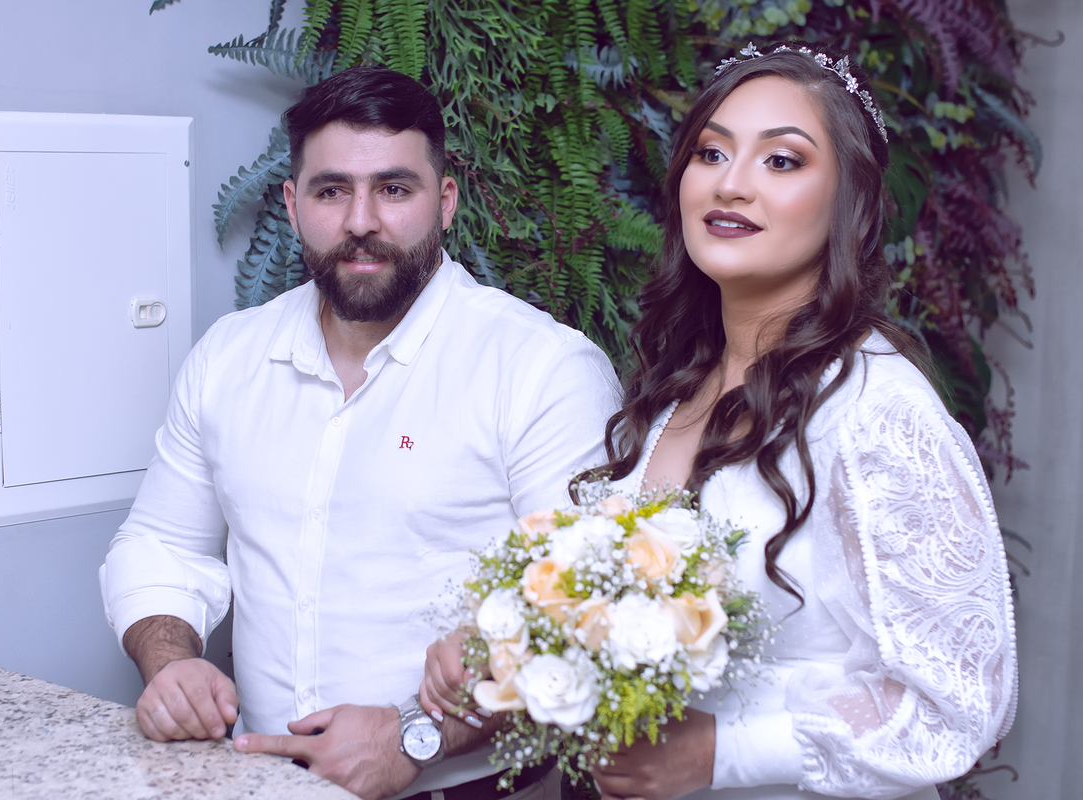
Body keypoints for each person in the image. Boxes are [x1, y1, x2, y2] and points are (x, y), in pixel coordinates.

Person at [420, 44, 1017, 800]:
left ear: (852, 204)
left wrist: (724, 752)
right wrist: (506, 644)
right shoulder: (676, 390)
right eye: (711, 152)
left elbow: (958, 706)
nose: (731, 184)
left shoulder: (877, 411)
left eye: (782, 161)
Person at [100, 65, 622, 800]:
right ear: (292, 206)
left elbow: (592, 614)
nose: (361, 221)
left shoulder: (543, 370)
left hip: (468, 786)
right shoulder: (228, 358)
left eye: (395, 189)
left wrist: (416, 736)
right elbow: (162, 544)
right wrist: (172, 662)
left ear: (445, 202)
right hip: (260, 778)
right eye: (331, 190)